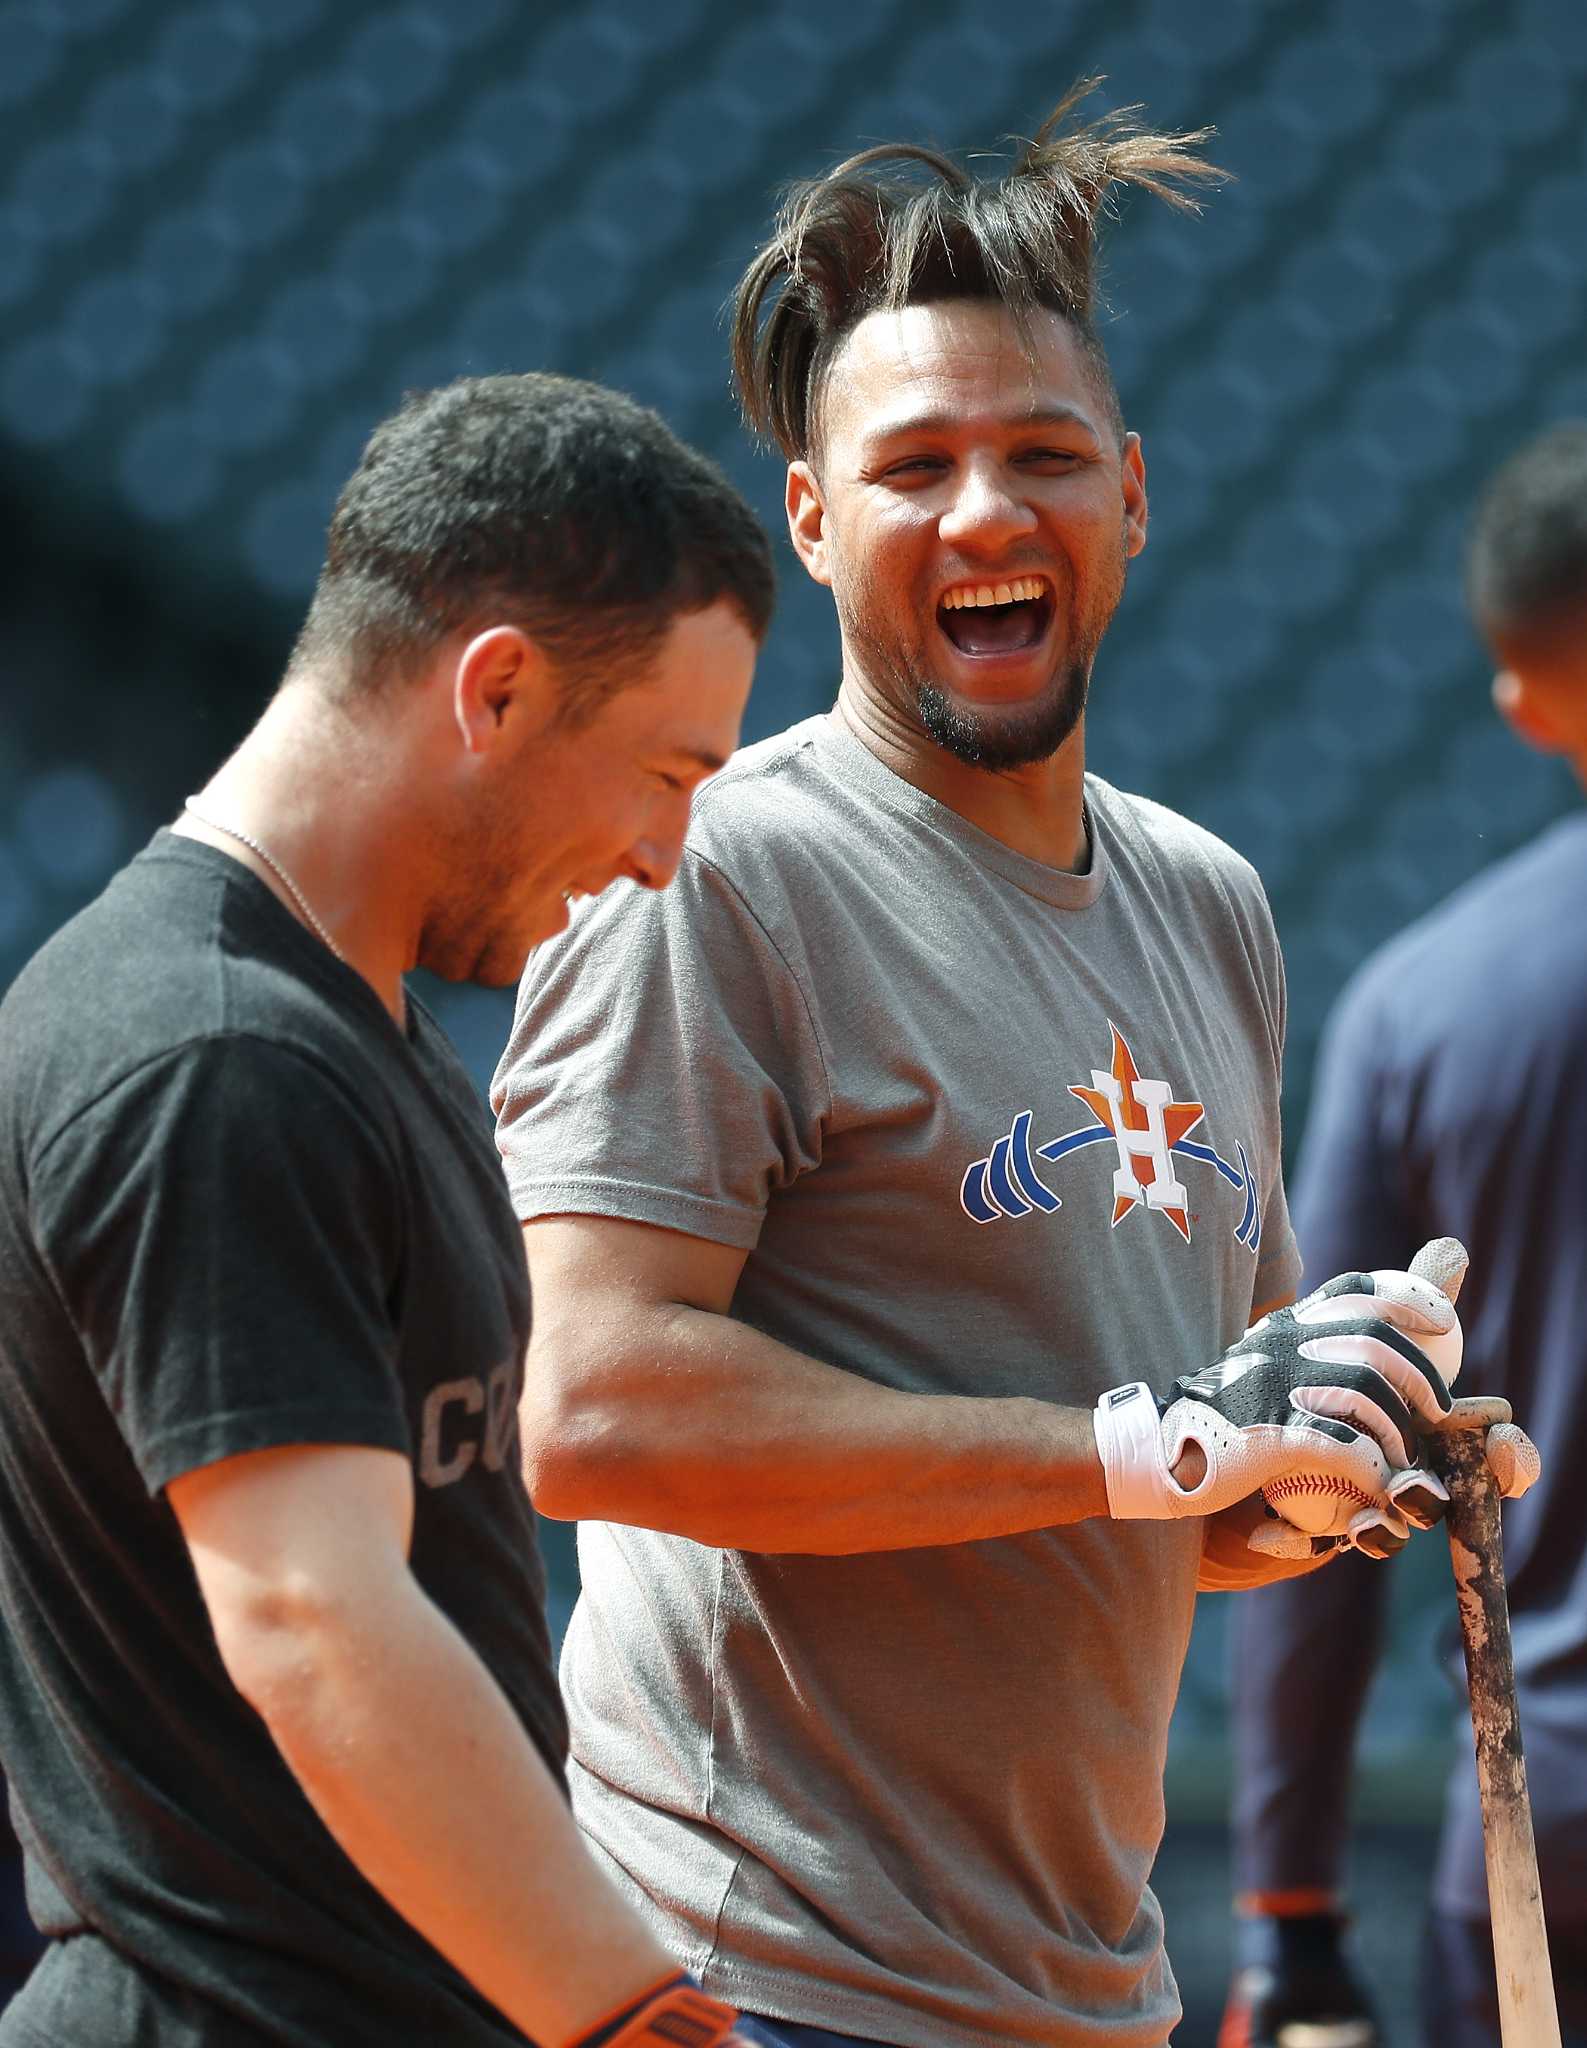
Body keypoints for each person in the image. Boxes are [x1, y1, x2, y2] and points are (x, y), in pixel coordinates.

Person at [490, 91, 1526, 2048]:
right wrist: (1136, 1442)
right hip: (745, 1989)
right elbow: (596, 1405)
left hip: (1081, 1995)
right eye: (914, 467)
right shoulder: (707, 874)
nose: (986, 511)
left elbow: (1173, 1483)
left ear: (1127, 496)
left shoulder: (1209, 904)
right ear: (808, 519)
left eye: (1041, 455)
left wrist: (1327, 1472)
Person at [0, 372, 779, 2046]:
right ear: (494, 690)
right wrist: (616, 2007)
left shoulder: (351, 1031)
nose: (667, 851)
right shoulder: (211, 1053)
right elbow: (310, 1611)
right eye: (664, 769)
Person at [1219, 423, 1587, 2048]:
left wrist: (1286, 1916)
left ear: (1525, 699)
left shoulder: (1425, 1009)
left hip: (1551, 1850)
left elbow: (1331, 1451)